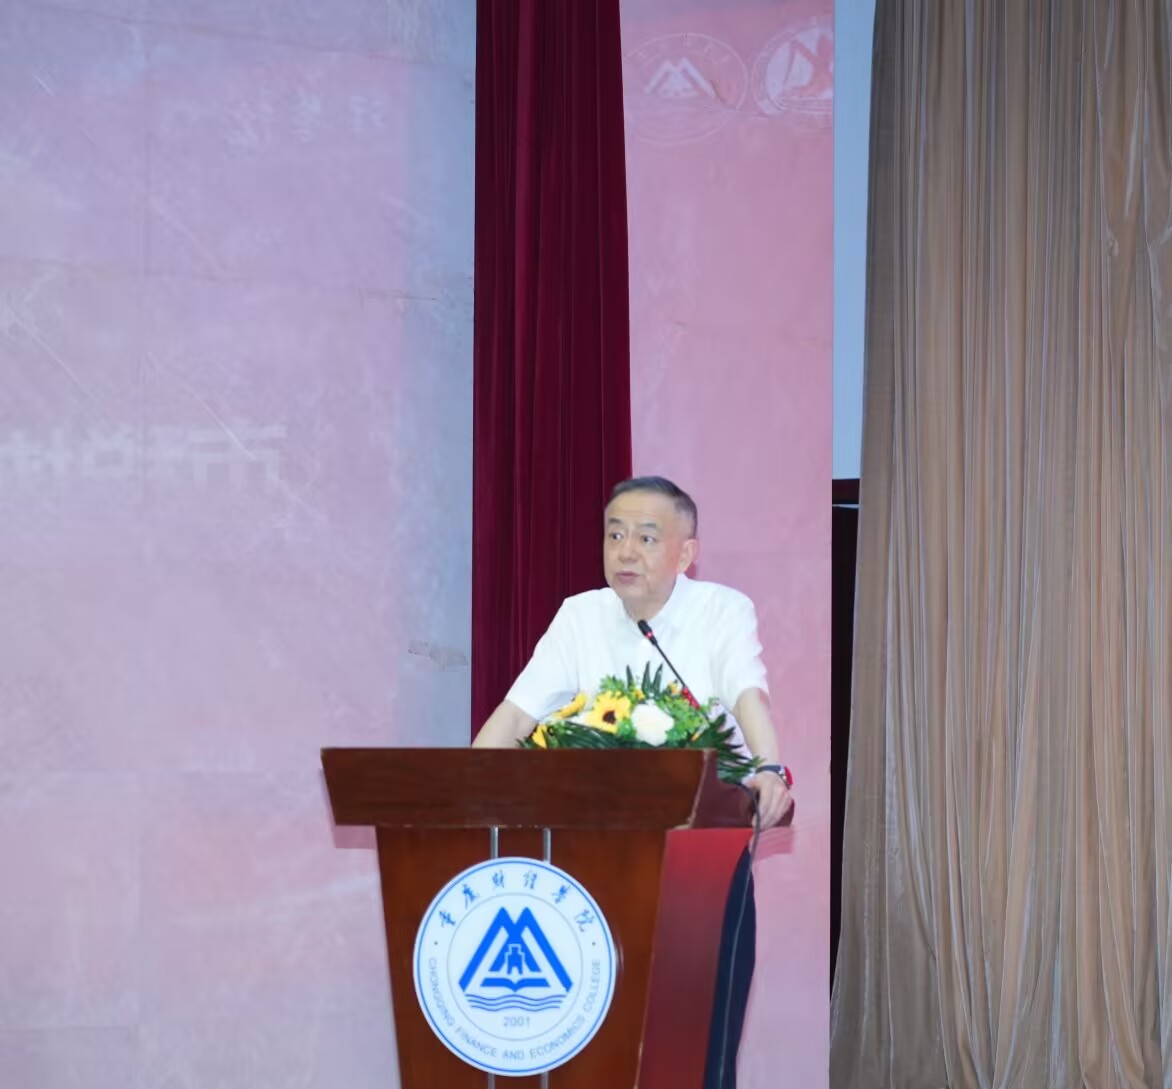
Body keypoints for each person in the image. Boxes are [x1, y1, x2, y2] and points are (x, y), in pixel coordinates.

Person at [473, 475, 793, 1087]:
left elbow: (746, 690)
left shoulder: (721, 610)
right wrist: (464, 790)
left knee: (698, 1044)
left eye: (647, 537)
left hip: (701, 854)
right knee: (600, 1042)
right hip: (591, 860)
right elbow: (516, 715)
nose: (625, 550)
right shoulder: (580, 615)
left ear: (685, 552)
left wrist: (768, 767)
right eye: (614, 534)